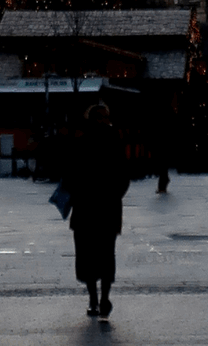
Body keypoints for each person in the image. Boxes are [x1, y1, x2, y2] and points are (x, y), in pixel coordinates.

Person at [65, 102, 130, 319]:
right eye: (100, 116)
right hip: (93, 207)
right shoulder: (85, 142)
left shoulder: (98, 142)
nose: (104, 120)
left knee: (99, 256)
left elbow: (123, 175)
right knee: (94, 256)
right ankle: (97, 298)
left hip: (97, 207)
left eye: (106, 116)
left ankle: (100, 299)